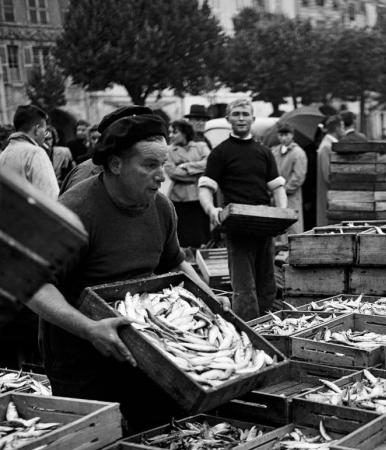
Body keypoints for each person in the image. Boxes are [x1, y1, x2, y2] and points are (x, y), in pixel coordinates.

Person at [25, 106, 216, 433]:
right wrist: (88, 328)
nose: (161, 176)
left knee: (153, 431)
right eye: (150, 165)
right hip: (79, 356)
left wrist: (211, 299)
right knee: (98, 438)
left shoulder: (161, 206)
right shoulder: (75, 211)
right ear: (115, 164)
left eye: (163, 165)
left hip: (143, 350)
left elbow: (174, 262)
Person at [198, 97, 287, 321]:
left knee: (267, 283)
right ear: (228, 118)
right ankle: (250, 330)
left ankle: (270, 327)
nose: (241, 118)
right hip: (237, 227)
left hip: (264, 226)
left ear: (252, 119)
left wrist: (281, 214)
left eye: (245, 114)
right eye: (236, 114)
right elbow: (205, 188)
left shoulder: (264, 152)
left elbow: (277, 187)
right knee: (244, 286)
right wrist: (212, 211)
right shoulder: (220, 153)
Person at [164, 119, 211, 250]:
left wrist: (186, 166)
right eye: (170, 132)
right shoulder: (168, 151)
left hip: (198, 198)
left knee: (200, 236)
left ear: (185, 132)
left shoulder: (201, 146)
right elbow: (172, 172)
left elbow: (210, 163)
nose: (171, 135)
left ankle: (199, 262)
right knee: (182, 236)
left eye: (175, 132)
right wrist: (197, 174)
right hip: (179, 199)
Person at [0, 104, 58, 199]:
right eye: (45, 131)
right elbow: (51, 198)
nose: (45, 135)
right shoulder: (35, 153)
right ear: (37, 129)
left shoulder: (3, 155)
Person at [271, 123, 307, 237]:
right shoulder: (274, 151)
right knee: (278, 228)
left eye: (286, 135)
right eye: (281, 135)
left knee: (293, 227)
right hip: (275, 196)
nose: (283, 138)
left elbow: (298, 178)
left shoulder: (298, 153)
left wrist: (283, 190)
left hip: (291, 197)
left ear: (292, 135)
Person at [316, 115, 344, 227]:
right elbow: (327, 175)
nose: (344, 130)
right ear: (337, 128)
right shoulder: (326, 146)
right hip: (328, 195)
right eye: (342, 127)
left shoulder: (329, 145)